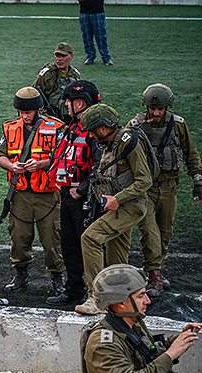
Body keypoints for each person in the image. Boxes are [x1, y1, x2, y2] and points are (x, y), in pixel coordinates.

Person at [127, 84, 202, 298]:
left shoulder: (178, 125)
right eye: (152, 108)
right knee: (149, 232)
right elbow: (121, 150)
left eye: (160, 108)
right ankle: (153, 275)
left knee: (165, 232)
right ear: (147, 107)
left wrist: (197, 178)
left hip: (170, 188)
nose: (156, 112)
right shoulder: (135, 125)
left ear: (167, 107)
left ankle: (156, 272)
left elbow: (191, 152)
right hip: (146, 190)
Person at [76, 104, 152, 315]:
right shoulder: (112, 143)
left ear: (102, 128)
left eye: (92, 131)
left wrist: (118, 198)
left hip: (129, 206)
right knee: (117, 256)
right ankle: (122, 300)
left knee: (90, 238)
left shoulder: (128, 143)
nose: (91, 136)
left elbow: (145, 181)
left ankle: (97, 298)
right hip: (119, 206)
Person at [0, 87, 66, 295]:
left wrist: (42, 164)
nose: (24, 116)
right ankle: (21, 275)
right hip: (20, 194)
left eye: (28, 112)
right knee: (19, 237)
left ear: (38, 109)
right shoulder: (10, 128)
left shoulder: (57, 128)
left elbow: (63, 156)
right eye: (22, 113)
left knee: (52, 239)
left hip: (47, 193)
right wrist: (11, 166)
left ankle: (57, 277)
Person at [47, 80, 102, 305]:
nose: (67, 106)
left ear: (81, 103)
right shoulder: (73, 127)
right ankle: (74, 290)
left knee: (88, 247)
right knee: (69, 244)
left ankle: (94, 293)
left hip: (83, 199)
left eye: (70, 102)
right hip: (67, 196)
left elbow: (102, 166)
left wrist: (81, 189)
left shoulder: (94, 131)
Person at [32, 42, 81, 123]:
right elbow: (33, 94)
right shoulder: (47, 74)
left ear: (71, 56)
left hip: (71, 117)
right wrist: (44, 114)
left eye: (63, 56)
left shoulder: (75, 74)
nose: (59, 59)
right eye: (57, 56)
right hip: (49, 118)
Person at [79, 0, 113, 66]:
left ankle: (106, 57)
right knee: (86, 37)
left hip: (98, 11)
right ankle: (90, 57)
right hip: (84, 12)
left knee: (101, 36)